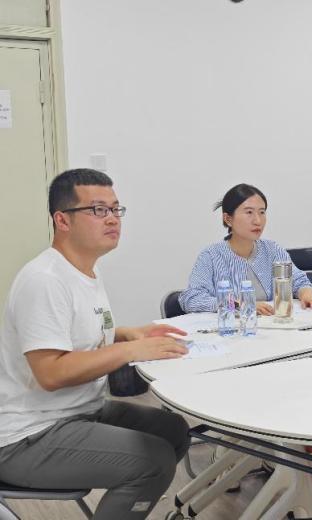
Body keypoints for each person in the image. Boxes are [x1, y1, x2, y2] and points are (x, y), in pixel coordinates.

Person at [0, 169, 190, 519]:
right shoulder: (45, 280)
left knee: (173, 431)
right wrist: (128, 351)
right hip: (27, 435)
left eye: (116, 209)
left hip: (79, 411)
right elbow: (51, 373)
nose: (112, 219)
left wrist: (127, 333)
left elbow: (76, 335)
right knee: (154, 462)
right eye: (98, 210)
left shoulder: (86, 270)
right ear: (62, 220)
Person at [179, 183, 312, 314]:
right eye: (249, 212)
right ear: (228, 219)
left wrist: (307, 296)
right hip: (234, 331)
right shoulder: (211, 256)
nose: (258, 221)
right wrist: (242, 304)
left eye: (262, 212)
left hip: (273, 327)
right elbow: (192, 299)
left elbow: (299, 281)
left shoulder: (272, 250)